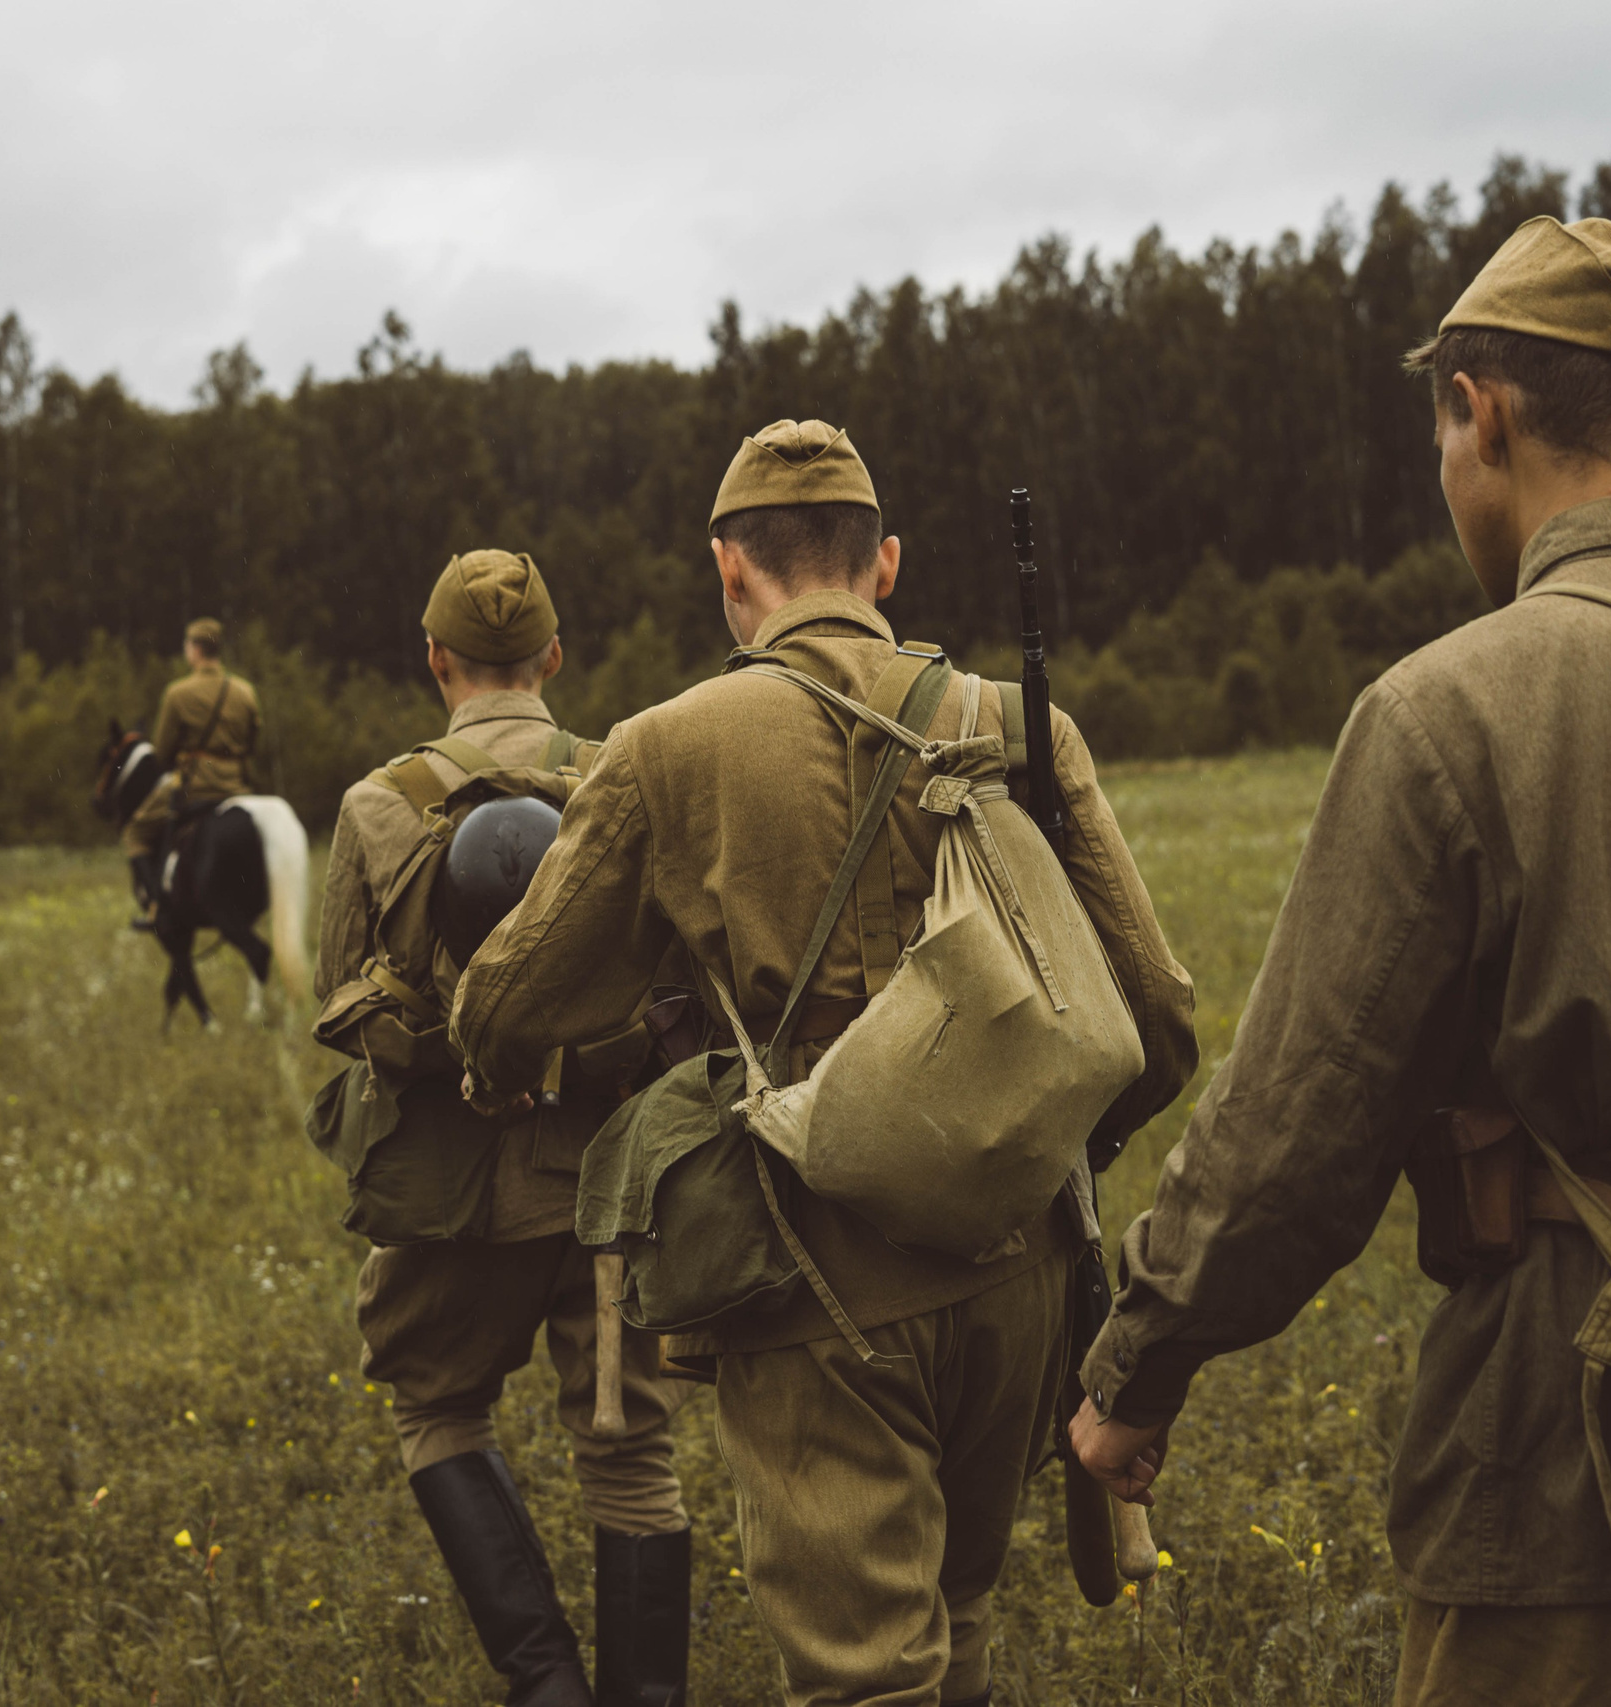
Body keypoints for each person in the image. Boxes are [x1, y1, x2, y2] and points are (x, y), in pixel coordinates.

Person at [1068, 217, 1611, 1705]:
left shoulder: (1448, 709)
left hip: (1582, 1446)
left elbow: (1291, 1141)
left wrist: (1142, 1361)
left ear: (1485, 411)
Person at [451, 424, 1197, 1707]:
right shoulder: (1018, 722)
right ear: (884, 563)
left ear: (729, 572)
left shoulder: (663, 748)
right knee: (956, 1619)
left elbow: (522, 996)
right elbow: (1159, 1014)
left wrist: (489, 1057)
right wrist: (1019, 1141)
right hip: (1019, 1271)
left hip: (811, 1278)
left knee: (864, 1676)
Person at [314, 550, 695, 1707]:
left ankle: (544, 1688)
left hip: (450, 1197)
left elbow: (336, 998)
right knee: (630, 1453)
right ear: (555, 659)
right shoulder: (633, 779)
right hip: (613, 1189)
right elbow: (686, 990)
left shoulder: (378, 805)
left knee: (437, 1406)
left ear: (435, 663)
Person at [123, 617, 264, 917]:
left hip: (196, 786)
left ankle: (154, 906)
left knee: (135, 832)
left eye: (188, 645)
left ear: (195, 649)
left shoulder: (178, 693)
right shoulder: (245, 691)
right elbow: (253, 742)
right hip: (238, 785)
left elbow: (162, 752)